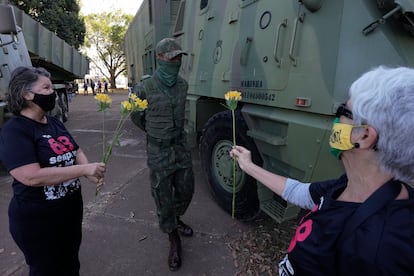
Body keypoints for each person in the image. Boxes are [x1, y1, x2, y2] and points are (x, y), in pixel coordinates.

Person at [230, 66, 414, 275]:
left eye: (342, 111)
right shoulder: (347, 186)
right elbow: (298, 192)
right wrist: (248, 165)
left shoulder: (384, 251)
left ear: (363, 136)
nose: (335, 120)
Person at [0, 66, 106, 276]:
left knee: (70, 265)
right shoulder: (15, 130)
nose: (53, 92)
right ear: (27, 94)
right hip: (38, 220)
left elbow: (75, 149)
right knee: (47, 270)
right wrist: (83, 169)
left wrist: (88, 172)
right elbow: (30, 176)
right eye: (46, 88)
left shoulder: (54, 122)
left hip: (69, 213)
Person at [130, 38, 194, 271]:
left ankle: (174, 218)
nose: (176, 61)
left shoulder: (183, 85)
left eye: (179, 57)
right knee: (162, 194)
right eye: (171, 57)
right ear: (159, 58)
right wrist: (155, 132)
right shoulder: (144, 87)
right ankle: (173, 238)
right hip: (158, 149)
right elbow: (136, 116)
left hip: (180, 146)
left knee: (187, 188)